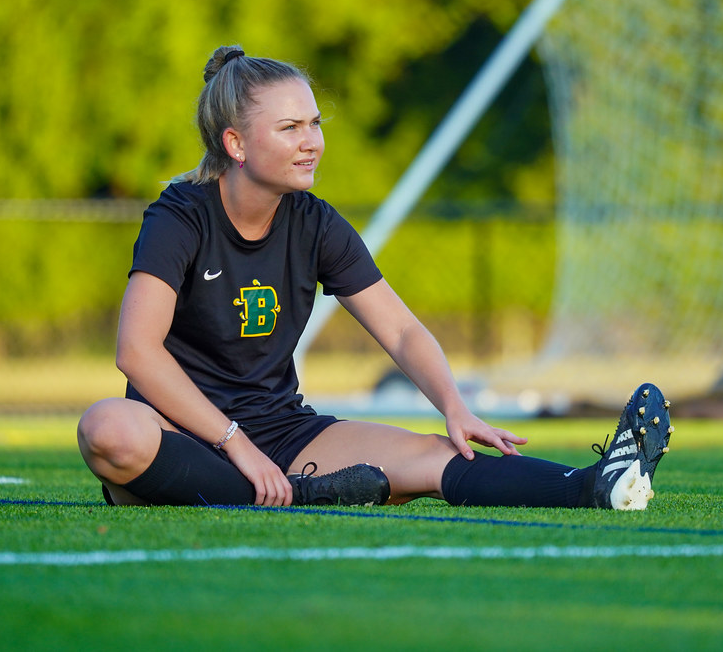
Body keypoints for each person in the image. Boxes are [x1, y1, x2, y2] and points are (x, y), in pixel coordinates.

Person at [76, 45, 674, 511]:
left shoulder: (314, 222)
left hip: (284, 435)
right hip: (181, 437)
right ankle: (290, 496)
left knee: (437, 457)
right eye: (290, 129)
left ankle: (594, 486)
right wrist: (235, 444)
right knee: (108, 429)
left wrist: (453, 405)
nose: (312, 142)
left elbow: (403, 332)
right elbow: (137, 352)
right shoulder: (180, 215)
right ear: (235, 142)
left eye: (314, 123)